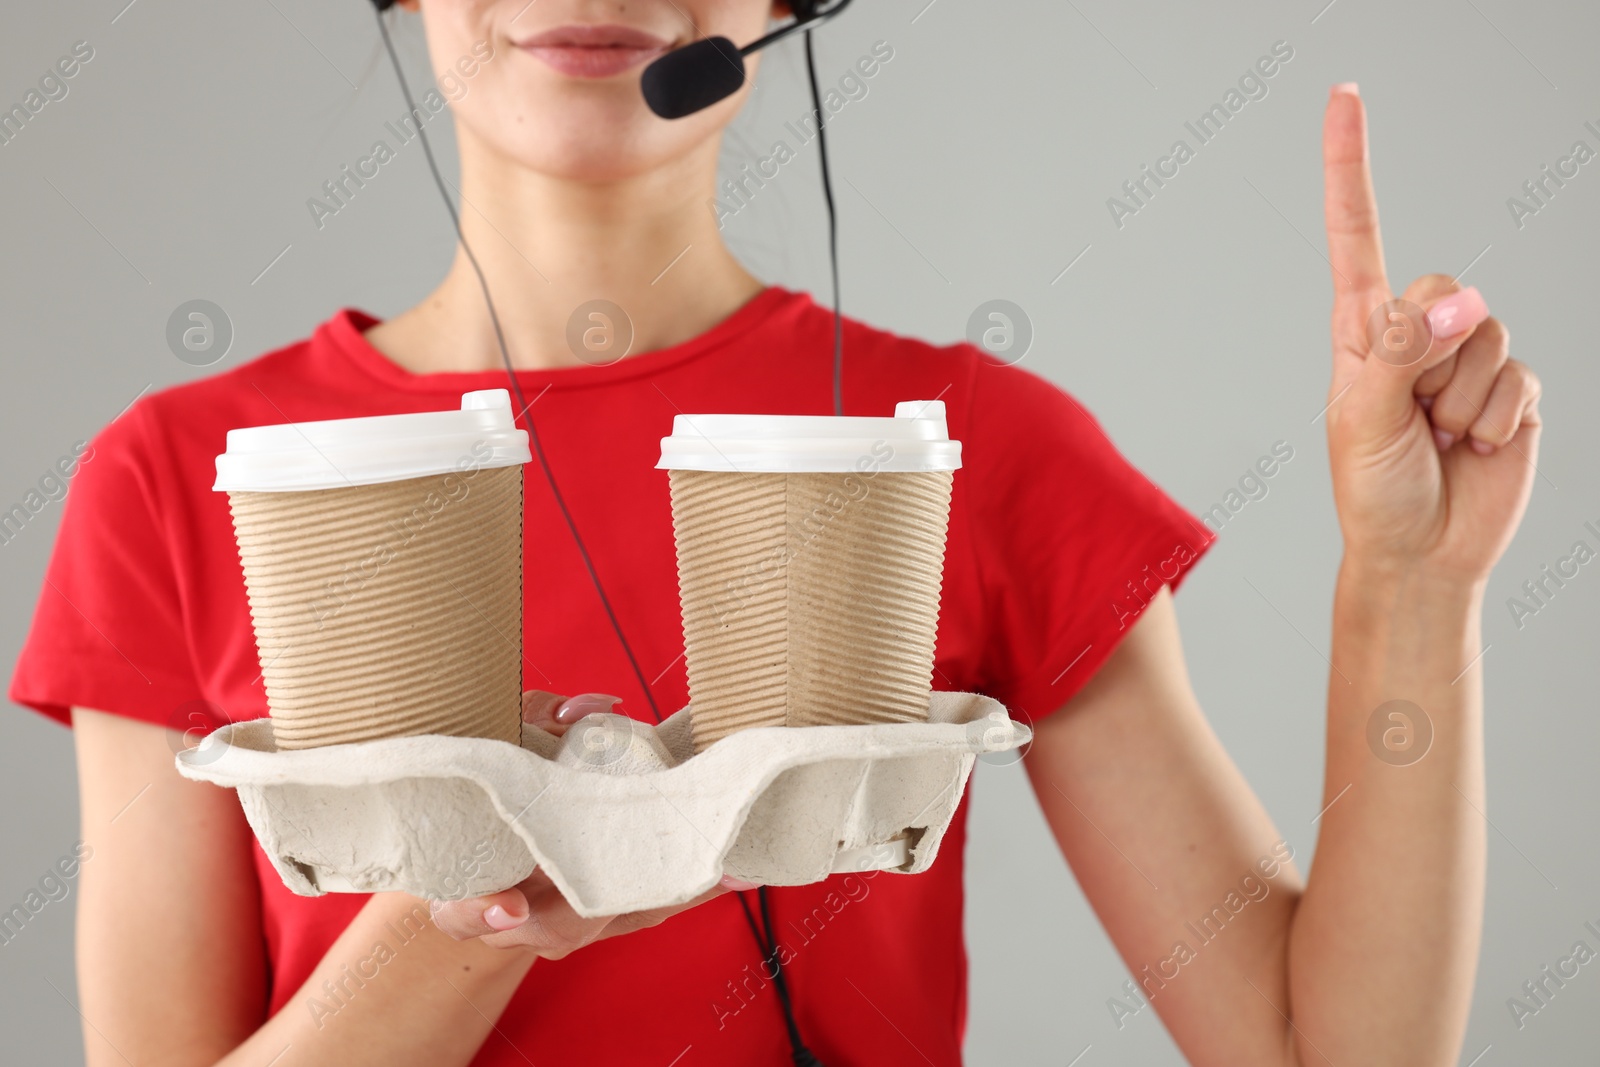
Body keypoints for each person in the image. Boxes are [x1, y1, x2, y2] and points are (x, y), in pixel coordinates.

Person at [10, 2, 1540, 1065]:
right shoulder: (181, 477)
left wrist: (1412, 588)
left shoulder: (966, 453)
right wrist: (481, 897)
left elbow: (1314, 1055)